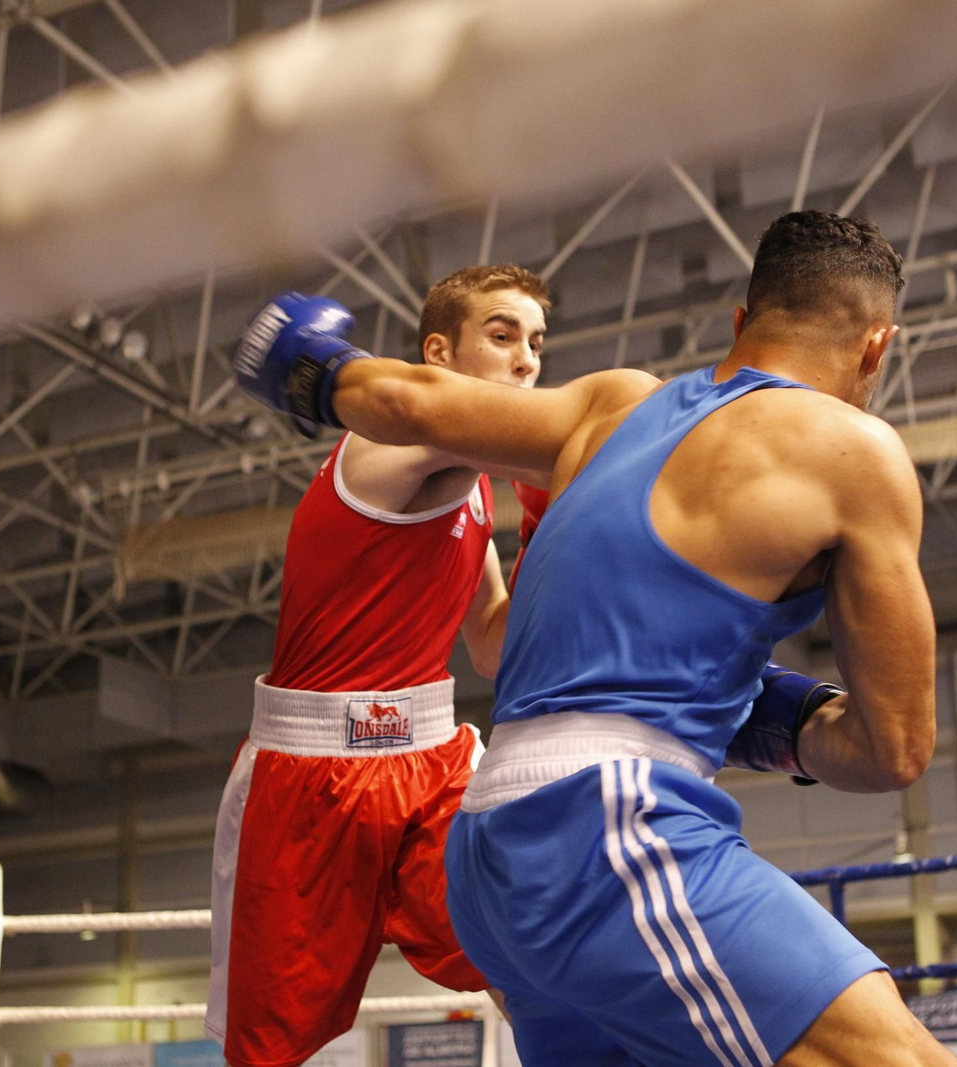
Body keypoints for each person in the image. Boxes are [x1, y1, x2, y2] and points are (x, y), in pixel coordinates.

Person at [232, 211, 957, 1067]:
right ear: (877, 347)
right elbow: (895, 752)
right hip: (605, 832)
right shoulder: (858, 452)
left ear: (739, 323)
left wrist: (312, 363)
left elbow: (398, 400)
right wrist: (778, 714)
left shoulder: (614, 402)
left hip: (484, 851)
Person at [207, 265, 550, 1067]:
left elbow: (492, 643)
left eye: (536, 342)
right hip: (310, 777)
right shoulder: (394, 438)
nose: (527, 359)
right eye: (502, 335)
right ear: (438, 353)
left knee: (528, 959)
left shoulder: (471, 483)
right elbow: (538, 434)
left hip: (431, 761)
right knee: (271, 1050)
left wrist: (539, 522)